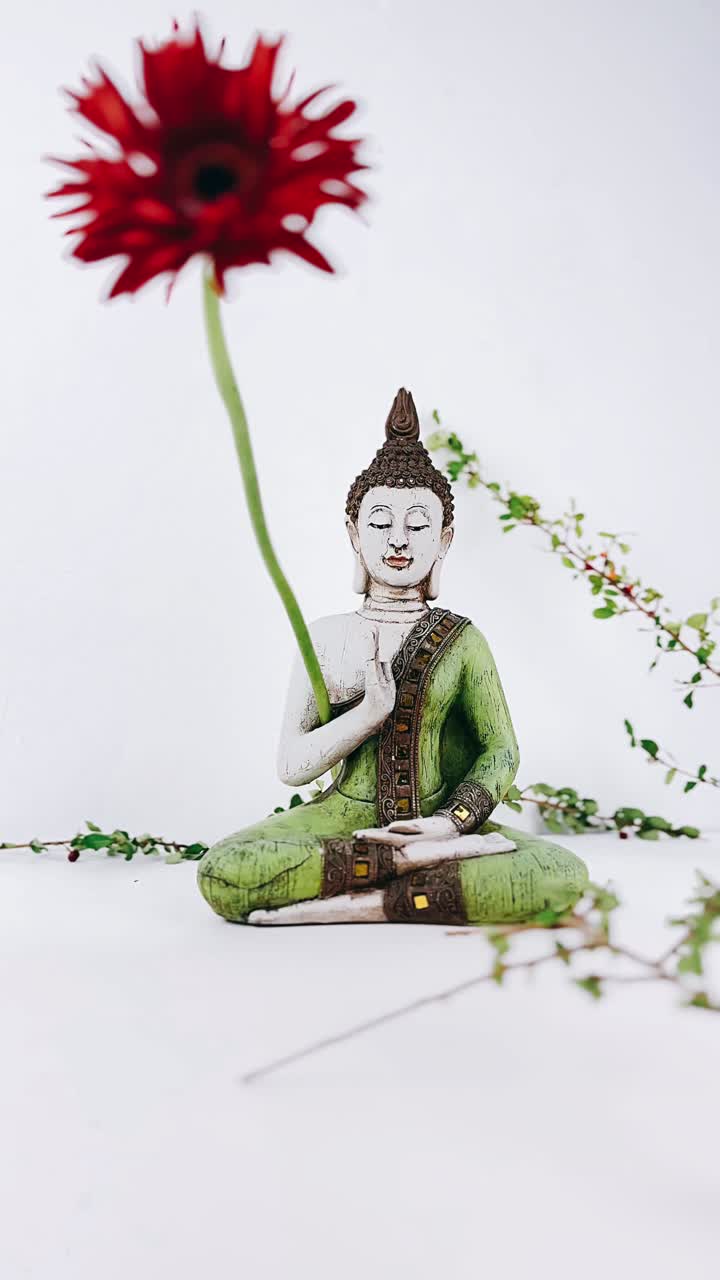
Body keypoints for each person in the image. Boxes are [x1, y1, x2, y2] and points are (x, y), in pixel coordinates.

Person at [197, 388, 588, 926]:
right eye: (381, 524)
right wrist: (367, 715)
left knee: (559, 873)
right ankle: (411, 868)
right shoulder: (326, 637)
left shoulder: (462, 639)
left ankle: (366, 902)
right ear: (354, 535)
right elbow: (291, 767)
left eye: (418, 526)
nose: (399, 541)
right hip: (344, 819)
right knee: (224, 871)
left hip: (436, 824)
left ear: (444, 540)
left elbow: (500, 751)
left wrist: (449, 824)